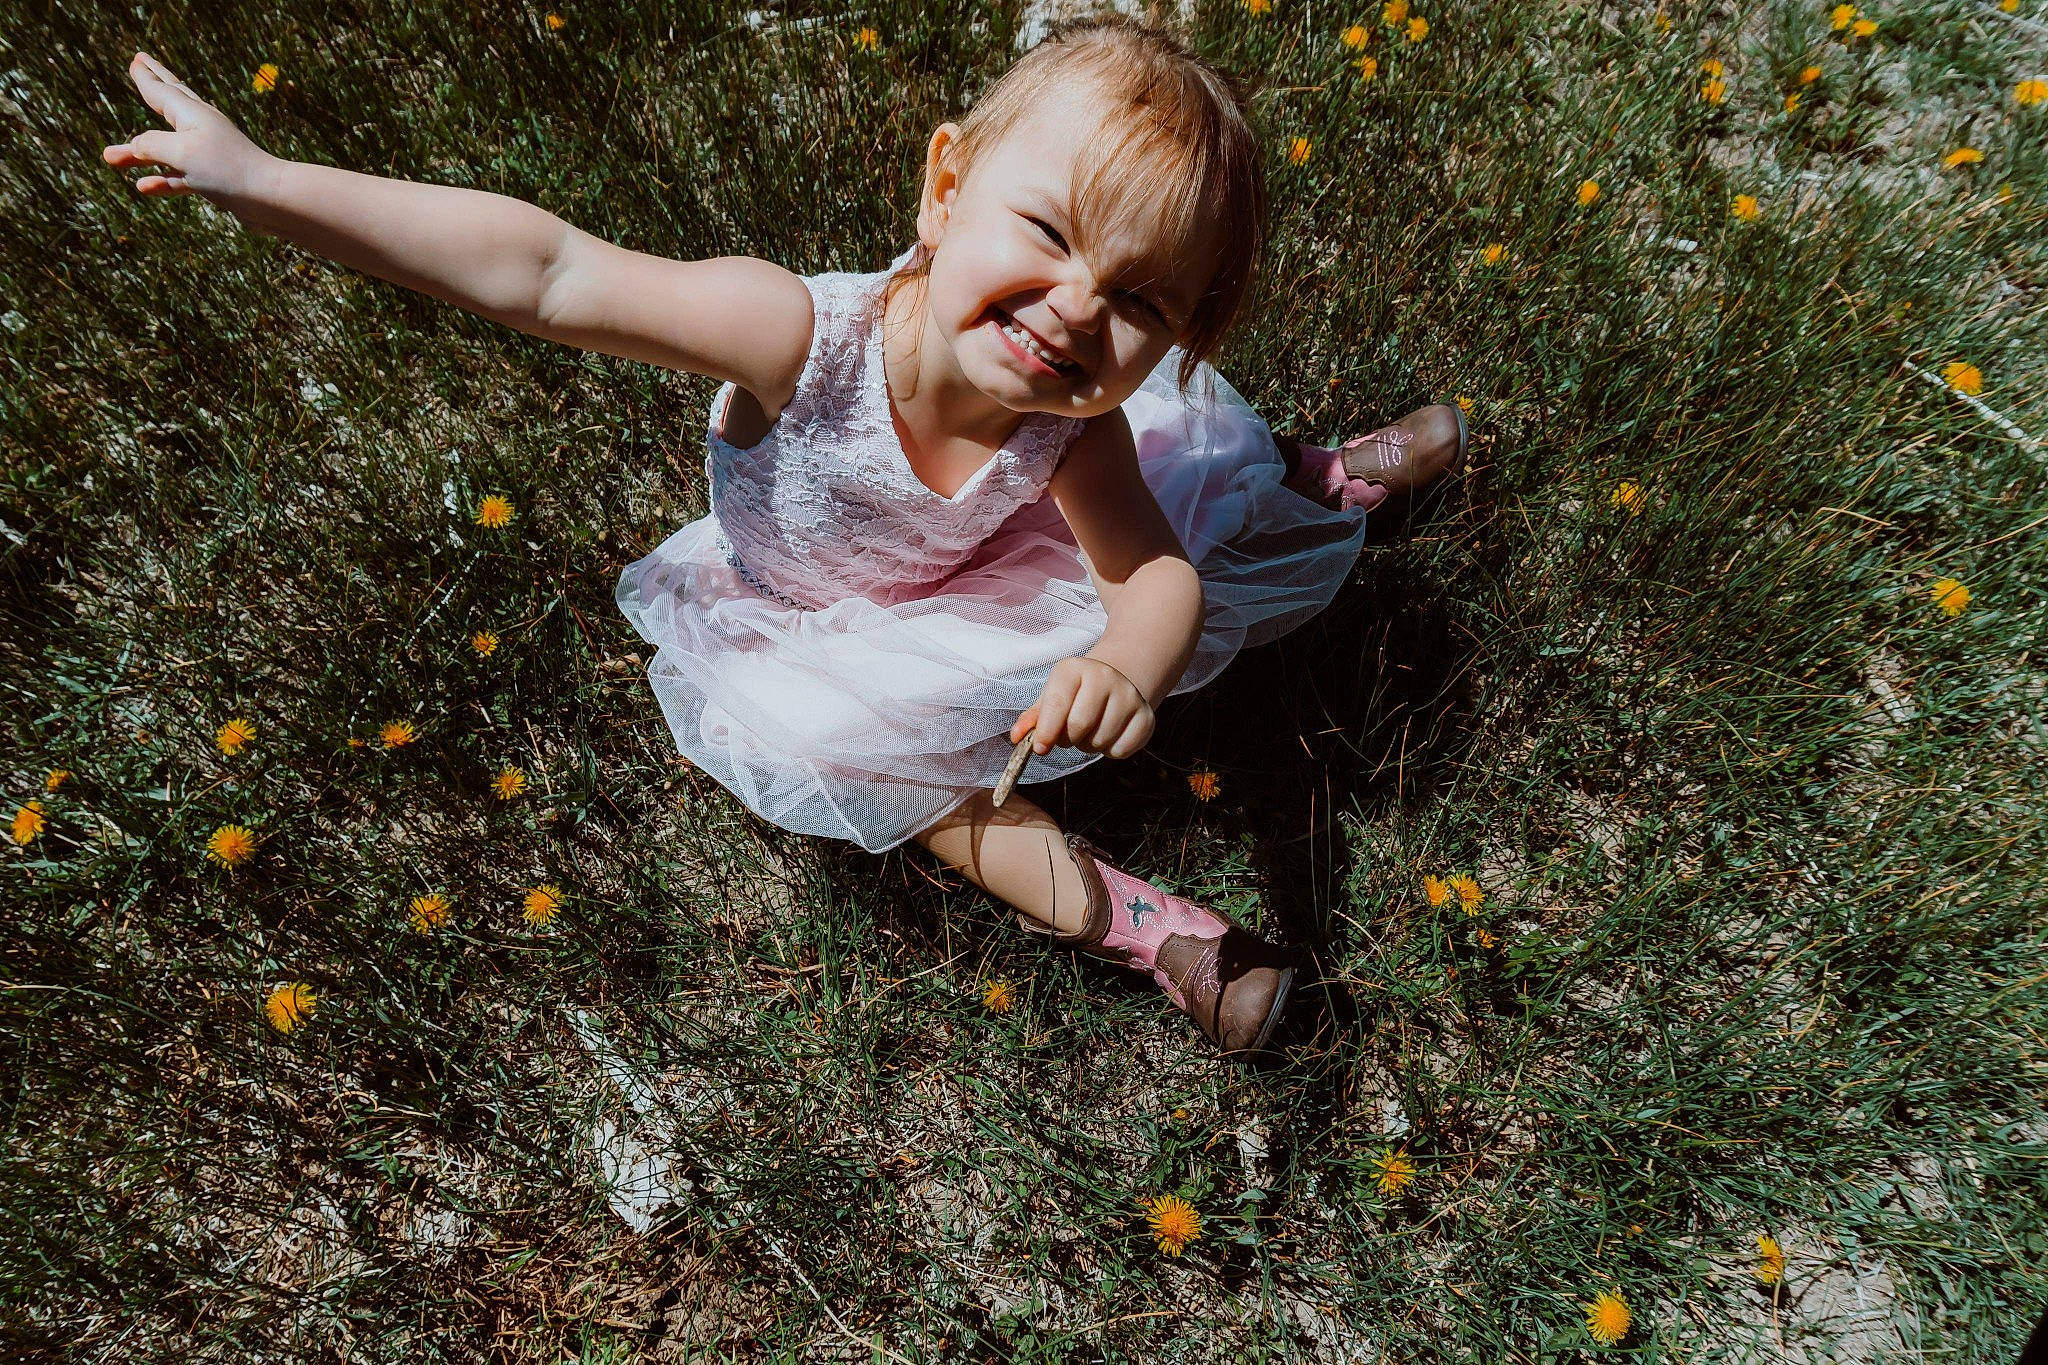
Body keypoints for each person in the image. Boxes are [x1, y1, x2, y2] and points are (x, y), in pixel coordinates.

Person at [101, 16, 1463, 1060]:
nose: (1073, 309)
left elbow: (1148, 574)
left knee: (1194, 494)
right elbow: (548, 268)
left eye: (1139, 306)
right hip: (818, 618)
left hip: (985, 574)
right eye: (1044, 234)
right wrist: (266, 179)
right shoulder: (798, 336)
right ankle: (1150, 929)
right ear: (946, 188)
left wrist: (1133, 659)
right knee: (921, 789)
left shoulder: (1079, 424)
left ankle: (1306, 477)